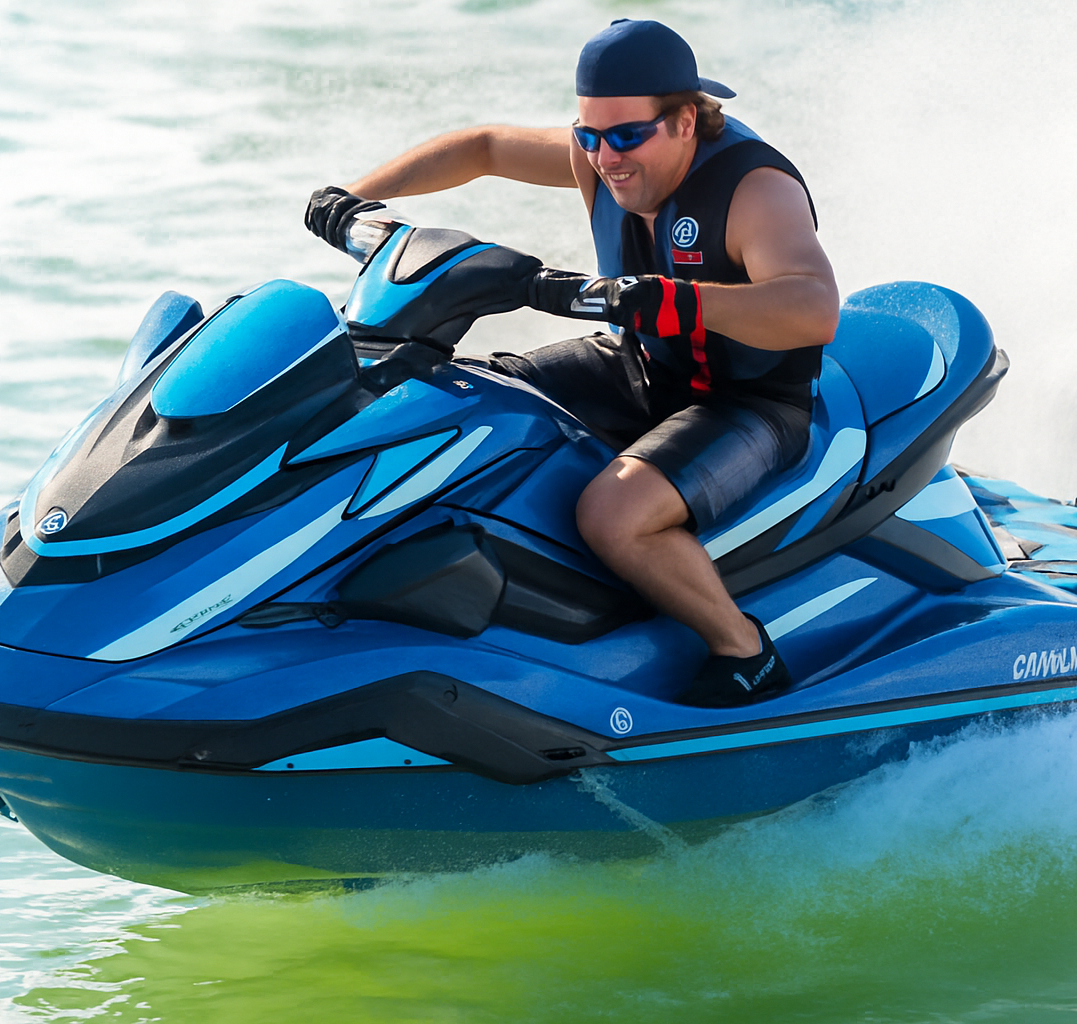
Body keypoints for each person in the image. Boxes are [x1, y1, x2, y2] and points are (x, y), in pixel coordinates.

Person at [305, 19, 840, 707]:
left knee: (613, 516)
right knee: (458, 400)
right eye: (589, 135)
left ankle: (743, 650)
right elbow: (485, 146)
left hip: (751, 402)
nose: (604, 157)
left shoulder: (755, 190)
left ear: (685, 121)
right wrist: (351, 199)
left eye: (625, 136)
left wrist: (678, 301)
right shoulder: (601, 152)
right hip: (638, 364)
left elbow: (813, 306)